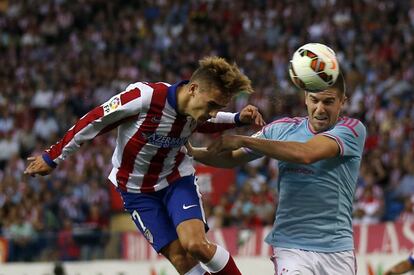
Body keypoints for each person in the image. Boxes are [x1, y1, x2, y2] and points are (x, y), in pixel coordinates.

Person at [24, 56, 265, 275]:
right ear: (192, 89)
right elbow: (95, 120)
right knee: (180, 259)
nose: (212, 113)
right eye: (212, 105)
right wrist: (52, 157)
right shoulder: (144, 98)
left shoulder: (196, 109)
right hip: (135, 191)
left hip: (175, 179)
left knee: (196, 245)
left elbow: (206, 122)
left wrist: (235, 119)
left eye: (218, 108)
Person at [188, 72, 366, 275]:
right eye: (314, 100)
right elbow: (230, 159)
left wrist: (245, 139)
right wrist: (192, 152)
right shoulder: (281, 129)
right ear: (305, 98)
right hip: (291, 248)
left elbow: (306, 153)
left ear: (342, 101)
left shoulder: (352, 130)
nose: (320, 109)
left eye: (329, 101)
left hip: (337, 251)